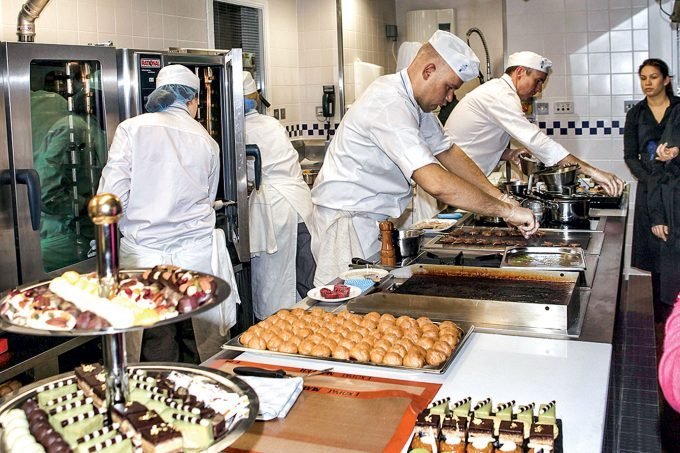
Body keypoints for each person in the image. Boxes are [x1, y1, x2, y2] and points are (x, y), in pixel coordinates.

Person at [310, 30, 538, 286]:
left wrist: (501, 198)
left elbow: (448, 152)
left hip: (371, 220)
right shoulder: (388, 103)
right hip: (347, 224)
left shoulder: (416, 104)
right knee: (345, 301)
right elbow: (436, 183)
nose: (449, 98)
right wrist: (506, 211)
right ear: (428, 71)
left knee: (370, 292)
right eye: (449, 87)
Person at [98, 64, 240, 363]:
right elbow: (206, 197)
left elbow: (110, 197)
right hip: (194, 258)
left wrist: (139, 218)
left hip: (145, 258)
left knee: (155, 341)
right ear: (192, 99)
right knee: (196, 341)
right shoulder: (206, 140)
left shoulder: (132, 129)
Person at [444, 51, 625, 197]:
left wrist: (509, 154)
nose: (538, 90)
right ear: (520, 72)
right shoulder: (500, 95)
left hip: (461, 178)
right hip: (450, 181)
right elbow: (537, 142)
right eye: (538, 81)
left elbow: (474, 142)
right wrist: (593, 172)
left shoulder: (501, 93)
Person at [243, 71, 316, 319]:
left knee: (274, 280)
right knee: (306, 276)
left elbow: (246, 177)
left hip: (272, 210)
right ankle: (315, 326)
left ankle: (277, 328)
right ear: (255, 97)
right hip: (299, 205)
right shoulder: (272, 124)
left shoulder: (237, 131)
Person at [623, 58, 680, 323]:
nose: (647, 82)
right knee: (657, 253)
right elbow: (630, 155)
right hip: (650, 190)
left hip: (676, 188)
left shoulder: (678, 109)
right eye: (643, 78)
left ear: (666, 80)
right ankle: (662, 318)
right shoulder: (636, 114)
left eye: (654, 77)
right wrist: (648, 179)